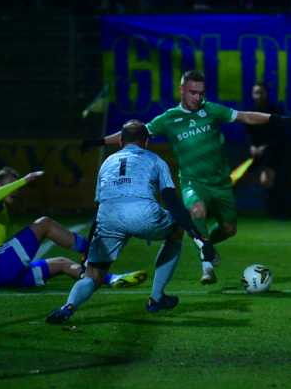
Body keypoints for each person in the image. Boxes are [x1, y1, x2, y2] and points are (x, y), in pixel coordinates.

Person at [81, 70, 291, 285]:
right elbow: (131, 135)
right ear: (182, 91)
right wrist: (99, 141)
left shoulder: (211, 110)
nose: (198, 97)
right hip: (193, 182)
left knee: (229, 229)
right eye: (193, 92)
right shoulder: (168, 119)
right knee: (197, 211)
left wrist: (275, 119)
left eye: (201, 93)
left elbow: (244, 116)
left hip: (221, 182)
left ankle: (207, 242)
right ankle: (207, 264)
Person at [46, 121, 216, 323]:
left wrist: (86, 254)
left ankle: (69, 306)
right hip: (143, 214)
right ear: (146, 142)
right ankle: (156, 298)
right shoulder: (155, 159)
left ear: (120, 142)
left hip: (108, 218)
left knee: (93, 275)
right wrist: (200, 237)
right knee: (176, 229)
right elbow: (172, 202)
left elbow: (99, 208)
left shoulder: (107, 163)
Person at [0, 166, 147, 289]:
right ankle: (92, 249)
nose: (17, 190)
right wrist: (23, 180)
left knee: (62, 263)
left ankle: (112, 279)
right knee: (44, 223)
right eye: (11, 185)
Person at [244, 82, 290, 219]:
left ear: (267, 94)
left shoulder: (275, 111)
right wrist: (252, 147)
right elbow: (249, 134)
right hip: (257, 153)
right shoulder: (251, 112)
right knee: (236, 177)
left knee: (267, 180)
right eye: (256, 92)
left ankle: (278, 212)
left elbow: (281, 135)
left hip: (274, 152)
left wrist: (266, 147)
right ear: (252, 95)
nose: (259, 95)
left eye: (261, 92)